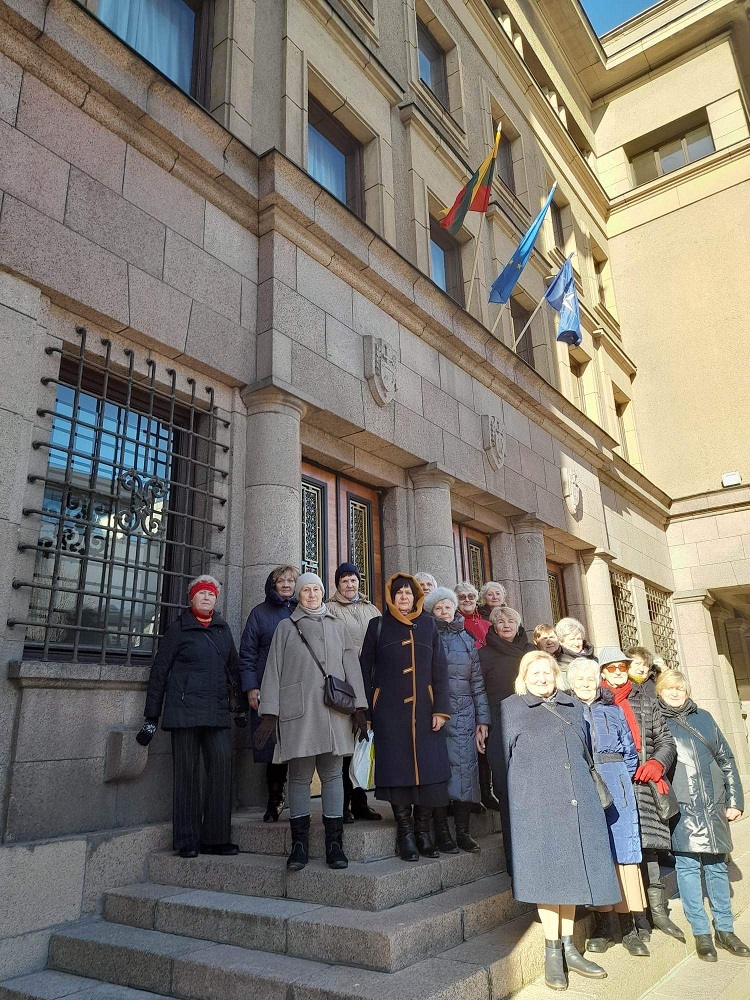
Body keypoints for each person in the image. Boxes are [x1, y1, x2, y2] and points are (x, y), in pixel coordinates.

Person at [488, 650, 620, 990]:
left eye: (547, 672)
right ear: (523, 677)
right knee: (548, 878)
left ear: (556, 676)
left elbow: (585, 753)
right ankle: (552, 952)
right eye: (535, 673)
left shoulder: (572, 706)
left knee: (571, 874)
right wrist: (516, 803)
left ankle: (569, 949)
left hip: (578, 802)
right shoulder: (510, 708)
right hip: (535, 807)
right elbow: (499, 762)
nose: (542, 678)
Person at [254, 573, 368, 872]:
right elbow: (273, 669)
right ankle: (299, 845)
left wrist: (359, 708)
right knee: (299, 777)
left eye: (317, 589)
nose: (312, 594)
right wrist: (269, 712)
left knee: (332, 775)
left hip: (333, 714)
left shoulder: (337, 625)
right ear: (299, 595)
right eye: (307, 590)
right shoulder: (285, 627)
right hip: (299, 713)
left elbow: (351, 666)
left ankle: (335, 844)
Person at [138, 575, 248, 858]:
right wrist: (151, 717)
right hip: (183, 711)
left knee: (221, 768)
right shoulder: (178, 629)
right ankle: (187, 839)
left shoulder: (223, 629)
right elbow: (160, 672)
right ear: (192, 598)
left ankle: (215, 838)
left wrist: (241, 707)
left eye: (211, 594)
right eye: (201, 593)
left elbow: (234, 669)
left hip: (217, 710)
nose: (207, 597)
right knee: (187, 774)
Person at [657, 669, 748, 962]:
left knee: (717, 866)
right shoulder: (657, 722)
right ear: (660, 691)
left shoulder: (704, 717)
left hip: (713, 804)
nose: (675, 693)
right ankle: (701, 933)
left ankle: (725, 929)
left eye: (680, 688)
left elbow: (726, 759)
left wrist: (735, 800)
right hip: (683, 805)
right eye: (669, 688)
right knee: (687, 868)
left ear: (687, 691)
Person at [359, 574, 451, 862]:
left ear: (416, 597)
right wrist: (367, 712)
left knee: (429, 772)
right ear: (390, 597)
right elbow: (364, 669)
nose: (403, 597)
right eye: (398, 593)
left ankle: (423, 832)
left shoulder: (429, 625)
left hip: (426, 711)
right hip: (389, 712)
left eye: (408, 593)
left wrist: (441, 709)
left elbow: (440, 668)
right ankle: (406, 834)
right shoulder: (378, 625)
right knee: (397, 772)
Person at [599, 646, 682, 943]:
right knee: (620, 851)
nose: (618, 673)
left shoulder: (645, 698)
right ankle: (628, 918)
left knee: (649, 848)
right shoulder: (595, 700)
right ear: (602, 671)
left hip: (643, 781)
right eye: (612, 668)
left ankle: (656, 913)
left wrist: (657, 763)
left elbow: (665, 740)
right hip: (614, 783)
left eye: (622, 667)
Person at [567, 658, 649, 958]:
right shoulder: (568, 710)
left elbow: (630, 750)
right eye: (579, 679)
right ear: (571, 683)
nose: (585, 683)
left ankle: (629, 927)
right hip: (586, 780)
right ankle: (603, 925)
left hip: (616, 778)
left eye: (589, 678)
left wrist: (623, 778)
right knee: (597, 851)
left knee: (624, 851)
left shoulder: (613, 710)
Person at [424, 587, 491, 853]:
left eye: (447, 607)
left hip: (464, 714)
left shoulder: (467, 638)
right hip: (435, 715)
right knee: (439, 774)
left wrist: (482, 720)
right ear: (432, 612)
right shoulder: (426, 637)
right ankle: (442, 832)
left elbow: (477, 683)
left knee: (464, 772)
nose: (444, 612)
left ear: (455, 609)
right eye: (438, 608)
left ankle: (463, 832)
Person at [238, 565, 298, 822]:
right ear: (273, 585)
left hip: (298, 689)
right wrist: (251, 687)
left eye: (290, 581)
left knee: (299, 742)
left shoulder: (302, 610)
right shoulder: (259, 613)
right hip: (268, 688)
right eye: (280, 581)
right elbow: (247, 653)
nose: (286, 585)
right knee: (272, 746)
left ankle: (300, 800)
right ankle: (274, 799)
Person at [327, 561, 382, 823]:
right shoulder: (329, 609)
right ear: (337, 584)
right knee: (345, 747)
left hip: (370, 683)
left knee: (364, 742)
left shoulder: (372, 609)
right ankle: (342, 804)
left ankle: (361, 802)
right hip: (344, 685)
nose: (349, 584)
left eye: (353, 580)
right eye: (344, 580)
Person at [478, 605, 533, 812]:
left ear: (518, 626)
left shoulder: (531, 651)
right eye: (501, 622)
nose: (506, 625)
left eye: (511, 621)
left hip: (530, 718)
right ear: (494, 626)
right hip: (498, 720)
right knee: (504, 778)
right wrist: (482, 721)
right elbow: (478, 690)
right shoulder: (484, 654)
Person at [455, 581, 491, 648]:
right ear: (456, 601)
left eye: (471, 596)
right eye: (462, 597)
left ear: (475, 600)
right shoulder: (453, 625)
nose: (467, 600)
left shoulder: (488, 625)